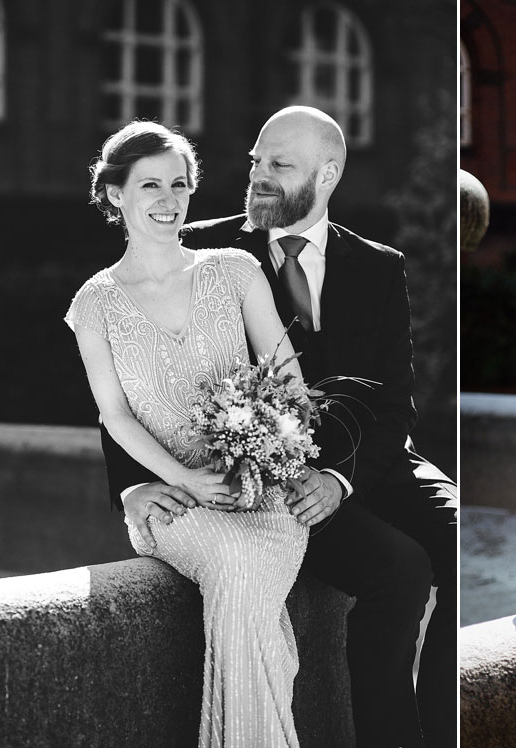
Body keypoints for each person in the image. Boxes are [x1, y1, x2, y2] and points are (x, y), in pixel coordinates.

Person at [99, 107, 457, 748]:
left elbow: (396, 401)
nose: (258, 176)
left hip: (363, 466)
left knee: (456, 540)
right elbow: (138, 372)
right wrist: (130, 485)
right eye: (255, 162)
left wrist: (341, 479)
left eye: (278, 166)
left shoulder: (378, 265)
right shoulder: (199, 248)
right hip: (263, 480)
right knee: (401, 571)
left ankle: (445, 726)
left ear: (327, 174)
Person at [66, 121, 308, 747]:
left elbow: (289, 383)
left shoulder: (235, 270)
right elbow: (115, 415)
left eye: (180, 183)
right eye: (150, 185)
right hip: (173, 503)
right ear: (115, 194)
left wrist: (266, 453)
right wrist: (180, 479)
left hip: (264, 496)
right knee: (235, 562)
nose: (169, 199)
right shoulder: (94, 303)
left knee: (249, 567)